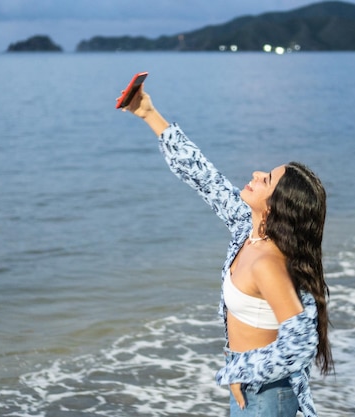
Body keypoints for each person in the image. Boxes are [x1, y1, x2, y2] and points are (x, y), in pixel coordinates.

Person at [122, 85, 333, 417]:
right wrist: (149, 113)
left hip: (267, 394)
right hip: (254, 388)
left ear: (278, 206)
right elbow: (203, 176)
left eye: (267, 180)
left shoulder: (267, 261)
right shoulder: (247, 232)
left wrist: (238, 369)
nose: (256, 174)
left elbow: (301, 343)